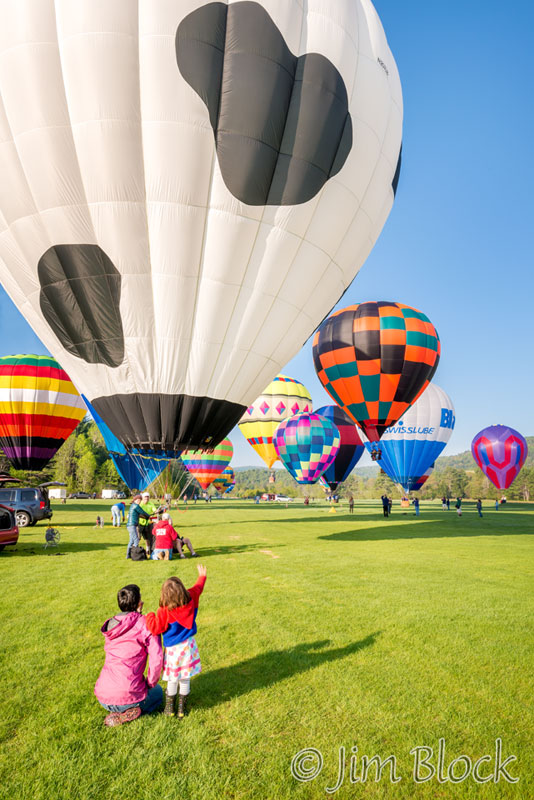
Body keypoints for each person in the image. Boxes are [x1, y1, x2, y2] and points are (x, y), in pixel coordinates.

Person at [94, 583, 163, 727]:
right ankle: (131, 712)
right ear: (139, 602)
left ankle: (120, 711)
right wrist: (150, 683)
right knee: (158, 693)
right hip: (128, 694)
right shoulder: (145, 624)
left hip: (103, 696)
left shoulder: (111, 624)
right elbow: (157, 659)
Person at [146, 565, 207, 719]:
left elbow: (154, 628)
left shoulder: (164, 611)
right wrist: (202, 576)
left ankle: (169, 708)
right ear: (182, 590)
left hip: (173, 651)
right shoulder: (191, 598)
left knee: (173, 679)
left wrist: (149, 615)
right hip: (188, 646)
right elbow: (198, 588)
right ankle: (182, 709)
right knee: (185, 678)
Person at [126, 495, 151, 559]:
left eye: (140, 500)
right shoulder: (135, 506)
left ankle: (128, 555)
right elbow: (142, 512)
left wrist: (146, 517)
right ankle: (135, 554)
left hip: (130, 525)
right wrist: (148, 516)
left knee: (131, 541)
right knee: (136, 540)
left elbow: (140, 515)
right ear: (134, 500)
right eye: (138, 500)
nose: (139, 501)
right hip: (132, 525)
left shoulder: (133, 506)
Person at [138, 492, 161, 557]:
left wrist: (157, 511)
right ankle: (135, 549)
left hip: (147, 523)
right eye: (145, 497)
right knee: (138, 537)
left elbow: (154, 510)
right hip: (140, 523)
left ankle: (148, 549)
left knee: (147, 537)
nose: (147, 498)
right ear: (142, 497)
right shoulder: (140, 504)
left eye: (148, 497)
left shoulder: (151, 503)